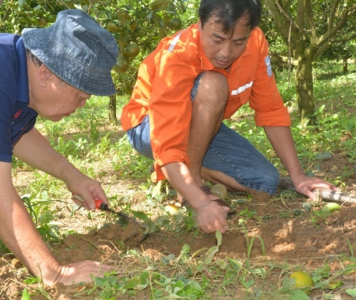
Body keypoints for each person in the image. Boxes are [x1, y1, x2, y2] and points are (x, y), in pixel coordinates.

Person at [120, 0, 337, 234]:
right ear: (200, 24)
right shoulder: (178, 54)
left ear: (250, 33)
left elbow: (270, 110)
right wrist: (200, 201)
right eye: (217, 39)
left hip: (197, 127)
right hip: (148, 126)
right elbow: (167, 141)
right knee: (214, 82)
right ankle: (190, 180)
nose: (226, 52)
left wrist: (298, 176)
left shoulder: (256, 44)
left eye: (237, 42)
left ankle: (186, 170)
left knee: (264, 184)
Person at [0, 9, 118, 285]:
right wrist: (54, 272)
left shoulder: (22, 75)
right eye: (80, 96)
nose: (82, 106)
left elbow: (13, 131)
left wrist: (71, 175)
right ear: (46, 75)